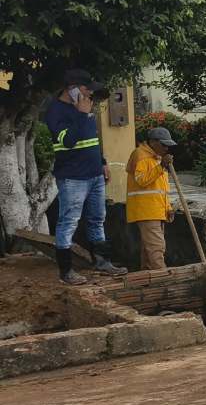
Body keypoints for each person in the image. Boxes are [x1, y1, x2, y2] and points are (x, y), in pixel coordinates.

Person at [44, 69, 127, 285]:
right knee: (68, 222)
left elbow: (92, 140)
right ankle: (66, 271)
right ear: (71, 88)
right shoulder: (56, 111)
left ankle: (102, 262)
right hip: (73, 178)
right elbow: (68, 142)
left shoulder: (85, 108)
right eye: (86, 89)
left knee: (97, 218)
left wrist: (102, 162)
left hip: (95, 175)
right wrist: (81, 114)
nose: (89, 95)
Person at [125, 127, 178, 271]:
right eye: (164, 145)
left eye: (168, 145)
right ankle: (161, 276)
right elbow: (142, 180)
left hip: (156, 210)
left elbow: (160, 188)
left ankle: (148, 276)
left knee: (148, 249)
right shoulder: (141, 156)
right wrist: (161, 166)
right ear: (153, 142)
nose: (166, 148)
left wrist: (168, 208)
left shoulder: (156, 158)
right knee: (156, 247)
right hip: (146, 210)